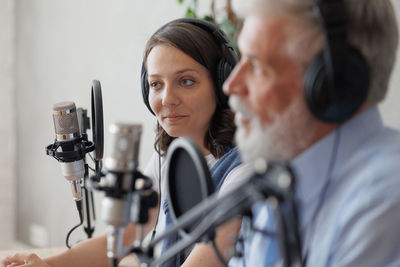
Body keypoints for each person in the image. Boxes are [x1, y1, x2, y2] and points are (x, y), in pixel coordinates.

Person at [1, 18, 251, 267]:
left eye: (186, 81)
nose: (167, 99)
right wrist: (48, 264)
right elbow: (124, 236)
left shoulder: (242, 172)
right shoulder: (169, 155)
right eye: (156, 84)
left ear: (222, 84)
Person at [223, 0, 400, 266]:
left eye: (257, 66)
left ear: (332, 84)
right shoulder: (282, 182)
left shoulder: (384, 200)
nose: (231, 85)